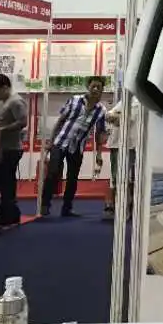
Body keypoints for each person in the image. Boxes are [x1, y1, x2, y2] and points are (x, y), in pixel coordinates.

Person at [39, 76, 108, 218]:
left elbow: (99, 133)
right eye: (93, 86)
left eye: (99, 87)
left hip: (77, 147)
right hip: (60, 142)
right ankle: (45, 205)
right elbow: (60, 120)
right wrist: (51, 141)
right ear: (88, 87)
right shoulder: (75, 100)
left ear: (102, 90)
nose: (95, 89)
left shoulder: (101, 110)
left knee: (72, 178)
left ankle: (67, 208)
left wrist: (99, 154)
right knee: (53, 172)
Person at [0, 74, 27, 226]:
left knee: (6, 182)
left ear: (4, 88)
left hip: (11, 148)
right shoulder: (6, 101)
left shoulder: (16, 101)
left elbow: (23, 122)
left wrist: (3, 129)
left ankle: (9, 214)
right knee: (4, 182)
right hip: (3, 147)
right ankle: (9, 213)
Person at [102, 99, 134, 218]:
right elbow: (109, 116)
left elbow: (129, 121)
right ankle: (119, 208)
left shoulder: (142, 102)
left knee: (130, 178)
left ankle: (127, 208)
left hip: (133, 145)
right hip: (117, 145)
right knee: (117, 177)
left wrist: (120, 118)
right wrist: (120, 118)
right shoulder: (126, 101)